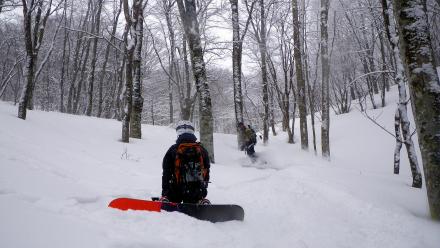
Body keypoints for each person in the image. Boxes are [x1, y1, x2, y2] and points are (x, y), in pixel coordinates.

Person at [160, 120, 211, 205]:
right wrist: (203, 190)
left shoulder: (173, 149)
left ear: (178, 133)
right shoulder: (201, 149)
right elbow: (206, 170)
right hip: (196, 191)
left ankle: (167, 200)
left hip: (176, 191)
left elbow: (166, 173)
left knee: (172, 197)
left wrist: (165, 194)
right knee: (196, 197)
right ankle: (200, 200)